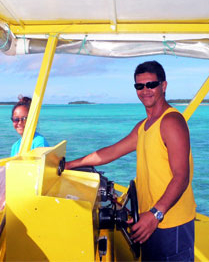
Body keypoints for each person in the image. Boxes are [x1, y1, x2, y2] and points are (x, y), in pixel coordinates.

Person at [66, 61, 196, 261]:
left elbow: (181, 177)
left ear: (164, 85)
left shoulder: (171, 122)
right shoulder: (143, 127)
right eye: (139, 86)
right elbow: (111, 152)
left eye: (151, 84)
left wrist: (155, 215)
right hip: (148, 221)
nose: (145, 90)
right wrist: (70, 165)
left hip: (170, 223)